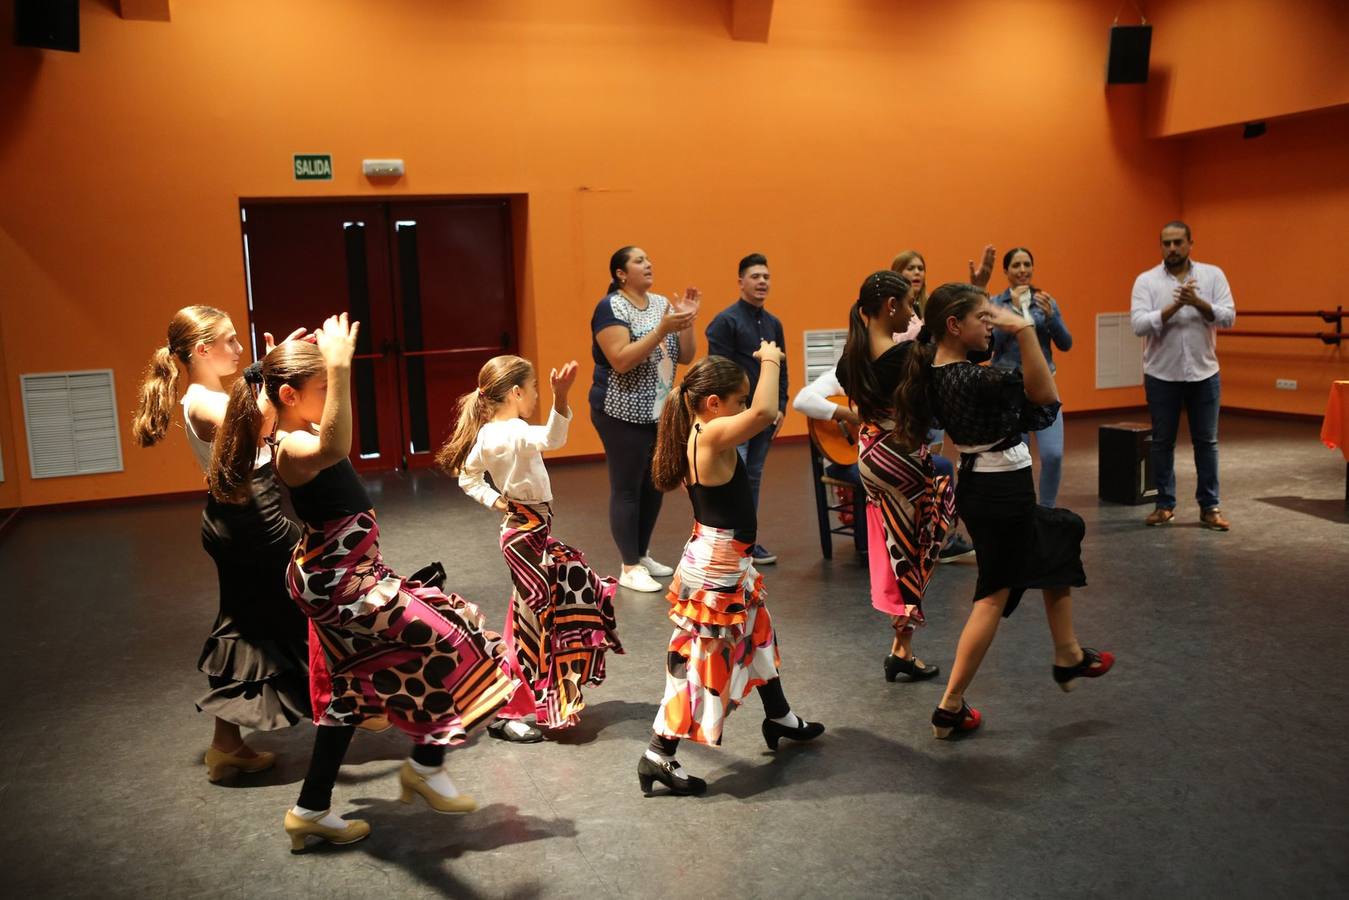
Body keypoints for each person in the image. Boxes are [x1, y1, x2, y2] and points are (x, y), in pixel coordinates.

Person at [211, 314, 517, 851]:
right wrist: (339, 367)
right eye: (322, 391)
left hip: (344, 575)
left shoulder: (293, 424)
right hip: (340, 583)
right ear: (290, 395)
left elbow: (285, 398)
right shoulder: (293, 448)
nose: (330, 397)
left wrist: (288, 357)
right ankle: (424, 766)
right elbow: (335, 444)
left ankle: (310, 811)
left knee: (348, 696)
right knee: (454, 636)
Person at [893, 283, 1113, 740]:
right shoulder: (976, 379)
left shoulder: (939, 372)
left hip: (984, 486)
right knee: (994, 594)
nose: (990, 327)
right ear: (954, 326)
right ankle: (951, 704)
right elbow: (1045, 396)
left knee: (1054, 540)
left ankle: (1067, 654)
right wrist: (1028, 330)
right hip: (1001, 490)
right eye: (983, 319)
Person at [132, 306, 312, 782]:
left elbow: (254, 417)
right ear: (202, 351)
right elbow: (259, 424)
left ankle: (226, 745)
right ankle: (357, 701)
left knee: (249, 624)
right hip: (251, 521)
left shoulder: (213, 393)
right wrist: (272, 373)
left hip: (243, 517)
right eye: (230, 341)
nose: (237, 348)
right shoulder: (200, 400)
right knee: (317, 599)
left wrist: (265, 373)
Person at [640, 350, 824, 796]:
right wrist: (773, 358)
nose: (744, 407)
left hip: (725, 560)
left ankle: (778, 715)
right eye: (736, 400)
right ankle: (657, 753)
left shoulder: (702, 429)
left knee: (758, 632)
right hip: (717, 567)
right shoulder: (709, 435)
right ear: (713, 404)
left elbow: (756, 411)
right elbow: (765, 412)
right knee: (703, 663)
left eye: (743, 400)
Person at [438, 355, 622, 744]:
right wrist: (563, 397)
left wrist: (496, 502)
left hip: (525, 530)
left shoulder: (488, 433)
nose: (537, 394)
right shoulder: (513, 431)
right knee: (534, 624)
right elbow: (554, 439)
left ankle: (519, 702)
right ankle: (506, 710)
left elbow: (468, 476)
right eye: (535, 388)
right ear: (517, 392)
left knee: (526, 621)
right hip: (525, 534)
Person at [837, 271, 956, 685]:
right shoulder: (906, 360)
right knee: (918, 547)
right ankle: (903, 645)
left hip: (870, 456)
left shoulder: (849, 358)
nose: (911, 311)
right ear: (890, 307)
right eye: (908, 303)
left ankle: (902, 650)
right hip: (900, 460)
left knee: (897, 547)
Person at [589, 246, 699, 592]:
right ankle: (629, 565)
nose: (648, 263)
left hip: (659, 411)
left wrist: (686, 321)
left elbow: (686, 355)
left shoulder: (661, 303)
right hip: (620, 410)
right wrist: (661, 329)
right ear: (621, 274)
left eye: (649, 258)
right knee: (627, 487)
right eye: (639, 260)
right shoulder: (611, 307)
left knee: (655, 484)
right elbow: (621, 360)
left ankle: (641, 553)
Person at [1130, 221, 1236, 531]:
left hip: (1204, 373)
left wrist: (1199, 303)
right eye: (1166, 243)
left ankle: (1210, 507)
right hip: (1162, 374)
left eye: (1178, 242)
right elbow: (1138, 324)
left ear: (1190, 243)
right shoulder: (1146, 281)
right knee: (1162, 442)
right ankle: (1164, 505)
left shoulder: (1212, 275)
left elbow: (1229, 316)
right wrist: (1175, 306)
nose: (1172, 248)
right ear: (1160, 246)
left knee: (1207, 443)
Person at [891, 248, 982, 561]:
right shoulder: (899, 320)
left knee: (934, 473)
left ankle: (936, 536)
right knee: (927, 472)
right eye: (909, 268)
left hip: (932, 402)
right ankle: (930, 536)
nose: (916, 273)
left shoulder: (928, 313)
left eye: (920, 268)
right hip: (909, 404)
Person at [705, 253, 786, 565]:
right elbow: (719, 372)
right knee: (730, 477)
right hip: (737, 419)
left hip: (764, 418)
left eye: (766, 276)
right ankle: (726, 540)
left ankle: (746, 539)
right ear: (741, 282)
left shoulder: (773, 323)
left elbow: (781, 366)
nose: (762, 281)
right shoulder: (725, 322)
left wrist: (779, 406)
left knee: (752, 477)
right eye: (755, 276)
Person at [990, 247, 1073, 508]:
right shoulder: (995, 304)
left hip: (1044, 388)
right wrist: (1013, 313)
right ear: (1005, 271)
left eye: (1027, 264)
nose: (1023, 270)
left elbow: (1066, 343)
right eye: (1016, 265)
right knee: (1018, 457)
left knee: (1053, 455)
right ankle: (1023, 507)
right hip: (1010, 389)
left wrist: (1053, 317)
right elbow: (992, 347)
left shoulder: (1045, 301)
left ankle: (1046, 510)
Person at [792, 366, 868, 559]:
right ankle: (868, 545)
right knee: (871, 475)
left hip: (873, 454)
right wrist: (847, 414)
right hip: (842, 462)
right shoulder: (837, 377)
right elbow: (802, 400)